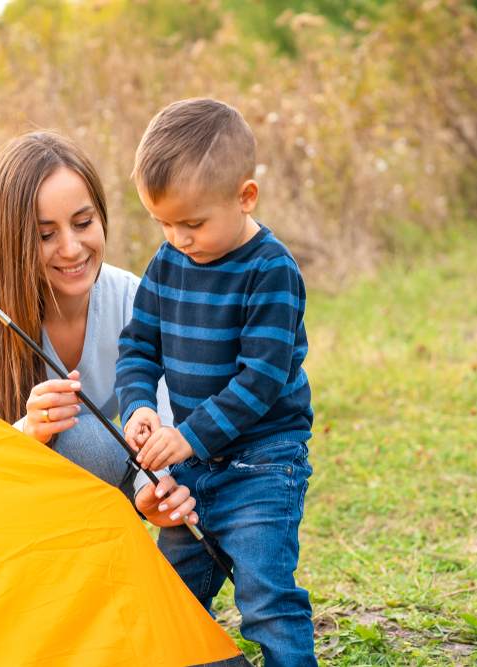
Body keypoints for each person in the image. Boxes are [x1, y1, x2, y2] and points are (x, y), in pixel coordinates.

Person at [116, 99, 316, 666]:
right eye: (163, 223)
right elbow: (138, 346)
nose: (178, 237)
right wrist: (137, 407)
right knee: (173, 593)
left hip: (262, 465)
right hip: (196, 468)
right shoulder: (168, 262)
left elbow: (261, 380)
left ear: (245, 197)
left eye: (193, 223)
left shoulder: (271, 270)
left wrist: (189, 436)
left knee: (267, 600)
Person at [0, 130, 194, 527]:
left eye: (83, 222)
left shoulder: (131, 297)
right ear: (13, 239)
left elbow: (167, 415)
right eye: (45, 235)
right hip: (10, 501)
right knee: (72, 435)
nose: (72, 248)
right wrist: (29, 431)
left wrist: (156, 487)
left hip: (115, 482)